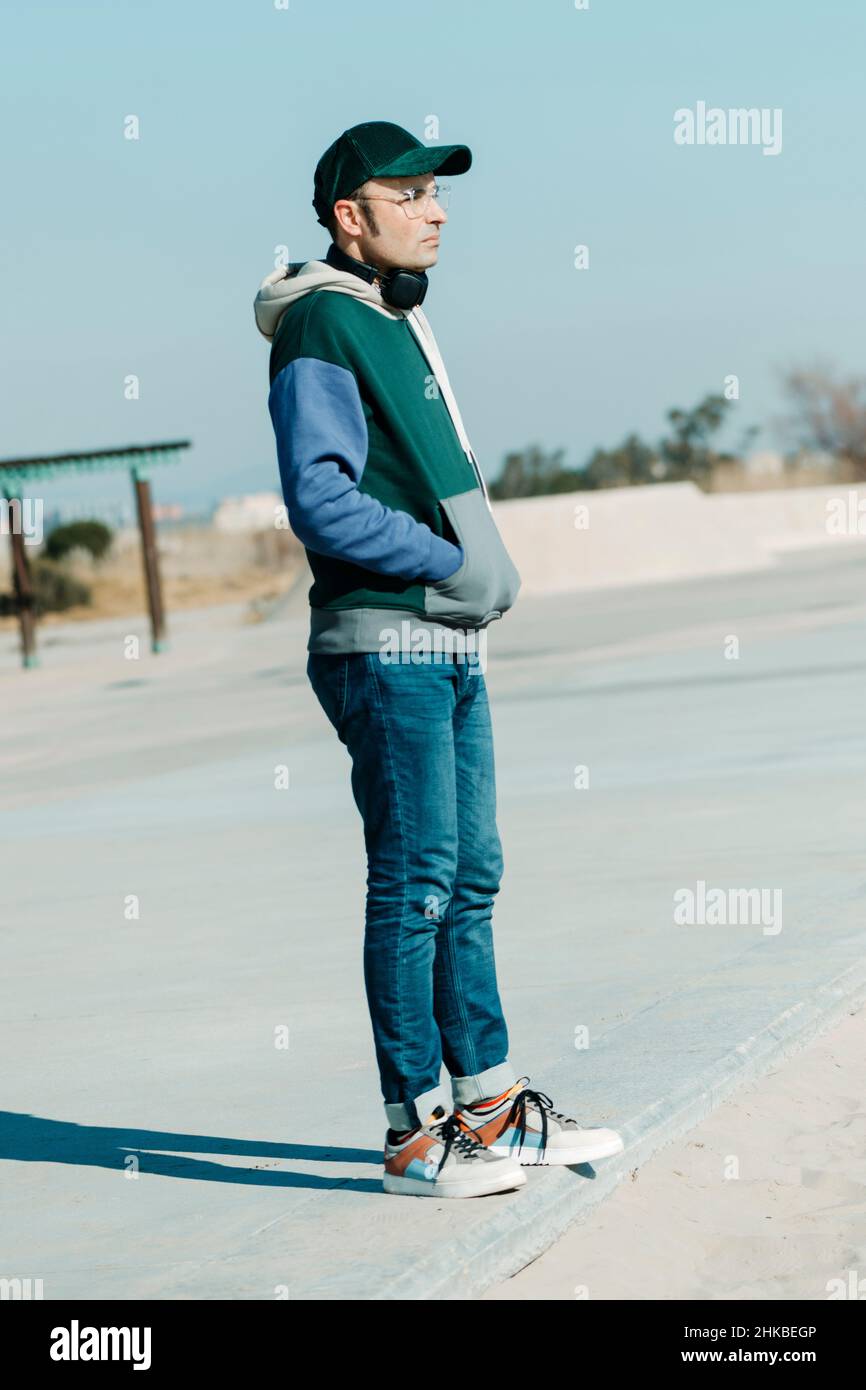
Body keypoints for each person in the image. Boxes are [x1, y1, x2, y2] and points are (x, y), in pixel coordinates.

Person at [254, 120, 623, 1198]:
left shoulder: (391, 320)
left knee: (468, 875)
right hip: (386, 640)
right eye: (407, 192)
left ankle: (493, 1109)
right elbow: (316, 494)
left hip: (441, 638)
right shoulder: (323, 322)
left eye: (434, 191)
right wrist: (444, 564)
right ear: (347, 215)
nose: (436, 208)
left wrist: (459, 584)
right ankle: (414, 1137)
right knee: (414, 881)